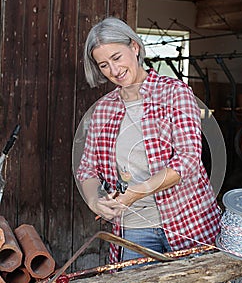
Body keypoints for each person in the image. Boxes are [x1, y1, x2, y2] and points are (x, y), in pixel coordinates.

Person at [76, 16, 221, 264]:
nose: (113, 71)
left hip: (188, 221)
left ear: (134, 47)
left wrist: (136, 192)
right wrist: (94, 200)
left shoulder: (175, 92)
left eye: (116, 58)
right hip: (134, 228)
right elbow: (87, 168)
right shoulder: (103, 110)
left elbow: (188, 160)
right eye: (103, 65)